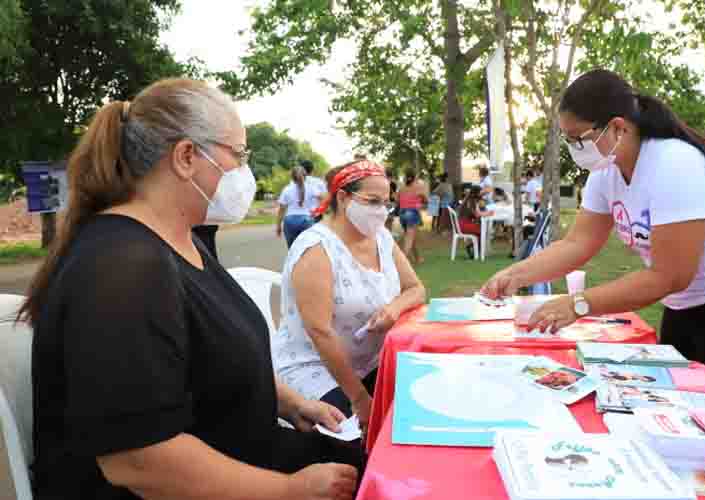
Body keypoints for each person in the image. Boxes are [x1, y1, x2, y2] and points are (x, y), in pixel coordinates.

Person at [19, 79, 363, 500]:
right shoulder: (121, 266)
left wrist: (290, 402)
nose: (244, 170)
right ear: (185, 157)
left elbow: (216, 355)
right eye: (238, 154)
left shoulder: (185, 239)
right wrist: (289, 490)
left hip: (241, 456)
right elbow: (139, 460)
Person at [481, 69, 705, 395]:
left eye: (580, 138)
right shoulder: (606, 173)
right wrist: (516, 274)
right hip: (684, 312)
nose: (575, 149)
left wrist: (579, 303)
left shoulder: (675, 165)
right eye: (568, 140)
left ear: (618, 126)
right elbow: (578, 243)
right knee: (676, 416)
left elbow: (669, 276)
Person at [273, 160, 425, 437]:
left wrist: (393, 308)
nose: (381, 211)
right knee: (356, 438)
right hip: (314, 365)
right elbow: (320, 332)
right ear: (343, 198)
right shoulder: (316, 250)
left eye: (386, 203)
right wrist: (359, 398)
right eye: (372, 201)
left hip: (370, 361)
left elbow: (416, 288)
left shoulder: (381, 238)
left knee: (416, 412)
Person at [276, 166, 320, 247]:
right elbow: (324, 198)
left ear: (292, 177)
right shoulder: (311, 188)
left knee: (292, 250)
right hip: (306, 220)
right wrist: (317, 211)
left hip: (290, 221)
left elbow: (281, 210)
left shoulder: (287, 189)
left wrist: (278, 226)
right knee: (307, 250)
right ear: (305, 176)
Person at [397, 168, 428, 265]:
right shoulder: (418, 186)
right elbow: (425, 199)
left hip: (402, 213)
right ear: (415, 177)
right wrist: (422, 201)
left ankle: (418, 258)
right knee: (409, 239)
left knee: (411, 237)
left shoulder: (401, 187)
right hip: (412, 212)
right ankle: (401, 262)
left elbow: (397, 199)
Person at [458, 185, 494, 258]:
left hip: (462, 224)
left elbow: (477, 212)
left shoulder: (469, 199)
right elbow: (477, 214)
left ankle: (473, 250)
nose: (481, 194)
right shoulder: (471, 201)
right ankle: (476, 251)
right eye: (480, 192)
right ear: (476, 193)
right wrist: (488, 213)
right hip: (464, 225)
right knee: (482, 231)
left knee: (481, 230)